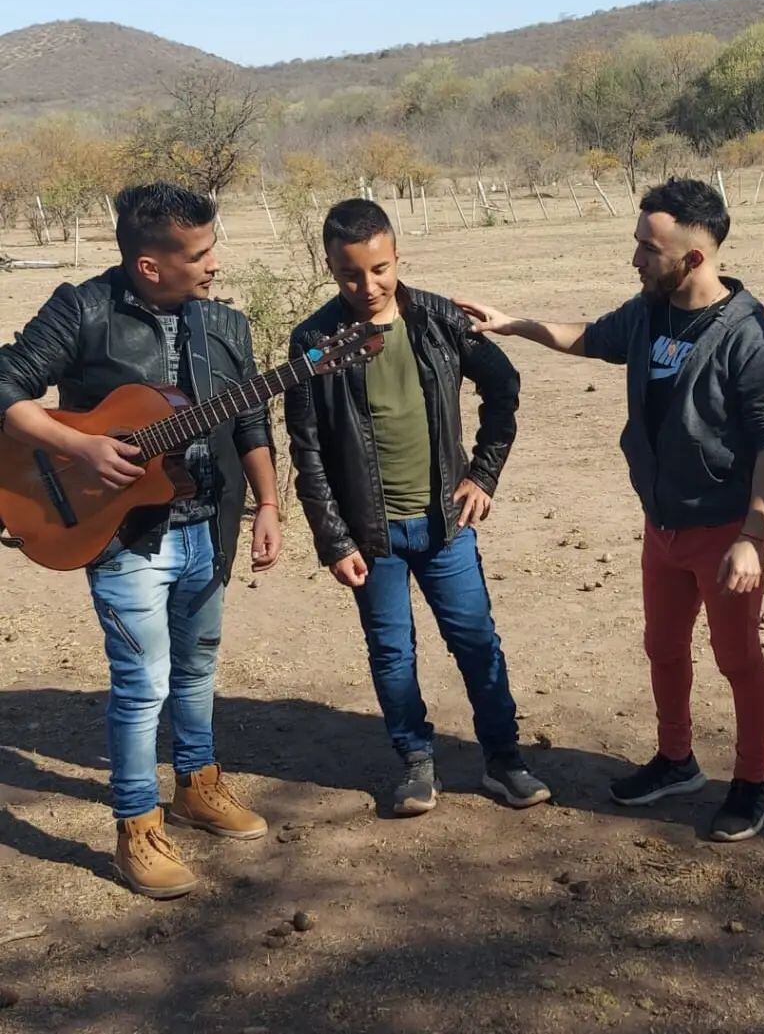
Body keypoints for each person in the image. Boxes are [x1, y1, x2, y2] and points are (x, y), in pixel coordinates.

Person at [457, 178, 764, 842]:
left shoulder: (749, 336)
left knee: (737, 658)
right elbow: (589, 337)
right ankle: (677, 760)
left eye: (648, 248)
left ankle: (756, 780)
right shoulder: (650, 312)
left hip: (724, 528)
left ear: (694, 258)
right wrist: (513, 323)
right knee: (662, 647)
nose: (635, 259)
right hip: (662, 524)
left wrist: (753, 534)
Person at [0, 183, 281, 899]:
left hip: (208, 528)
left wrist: (271, 502)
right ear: (150, 265)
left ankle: (199, 785)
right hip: (123, 534)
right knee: (143, 684)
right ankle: (135, 826)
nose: (215, 263)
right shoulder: (83, 309)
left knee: (197, 669)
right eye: (200, 253)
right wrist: (82, 448)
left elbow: (249, 422)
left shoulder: (226, 325)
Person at [284, 198, 550, 816]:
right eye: (351, 273)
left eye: (380, 268)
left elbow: (504, 387)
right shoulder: (314, 339)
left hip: (446, 525)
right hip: (368, 536)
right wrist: (334, 539)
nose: (368, 285)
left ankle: (504, 760)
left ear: (397, 256)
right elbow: (308, 449)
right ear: (330, 267)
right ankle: (415, 764)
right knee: (390, 649)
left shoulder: (439, 320)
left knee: (476, 640)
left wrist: (483, 474)